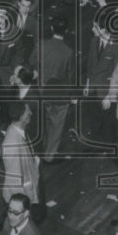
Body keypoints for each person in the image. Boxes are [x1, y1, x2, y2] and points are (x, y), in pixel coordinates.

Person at [39, 16, 75, 164]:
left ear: (52, 29)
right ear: (66, 31)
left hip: (42, 91)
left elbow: (32, 62)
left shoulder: (41, 45)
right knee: (57, 125)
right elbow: (70, 76)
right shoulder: (68, 52)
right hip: (59, 94)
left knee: (43, 122)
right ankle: (49, 155)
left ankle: (40, 149)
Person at [1, 102, 40, 207]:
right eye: (28, 112)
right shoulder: (11, 144)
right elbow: (14, 180)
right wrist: (23, 206)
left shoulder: (20, 131)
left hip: (31, 185)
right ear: (22, 117)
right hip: (22, 196)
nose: (31, 113)